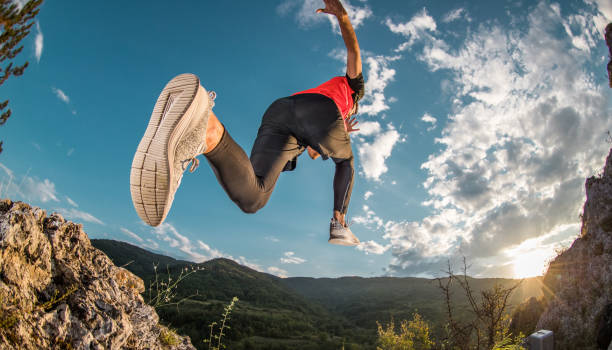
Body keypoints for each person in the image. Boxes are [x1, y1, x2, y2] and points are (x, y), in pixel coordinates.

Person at [130, 0, 365, 246]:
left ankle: (208, 129)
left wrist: (339, 131)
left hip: (282, 114)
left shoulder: (335, 120)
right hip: (316, 110)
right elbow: (353, 53)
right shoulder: (354, 91)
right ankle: (339, 222)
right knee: (346, 161)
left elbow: (314, 151)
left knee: (254, 196)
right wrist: (343, 16)